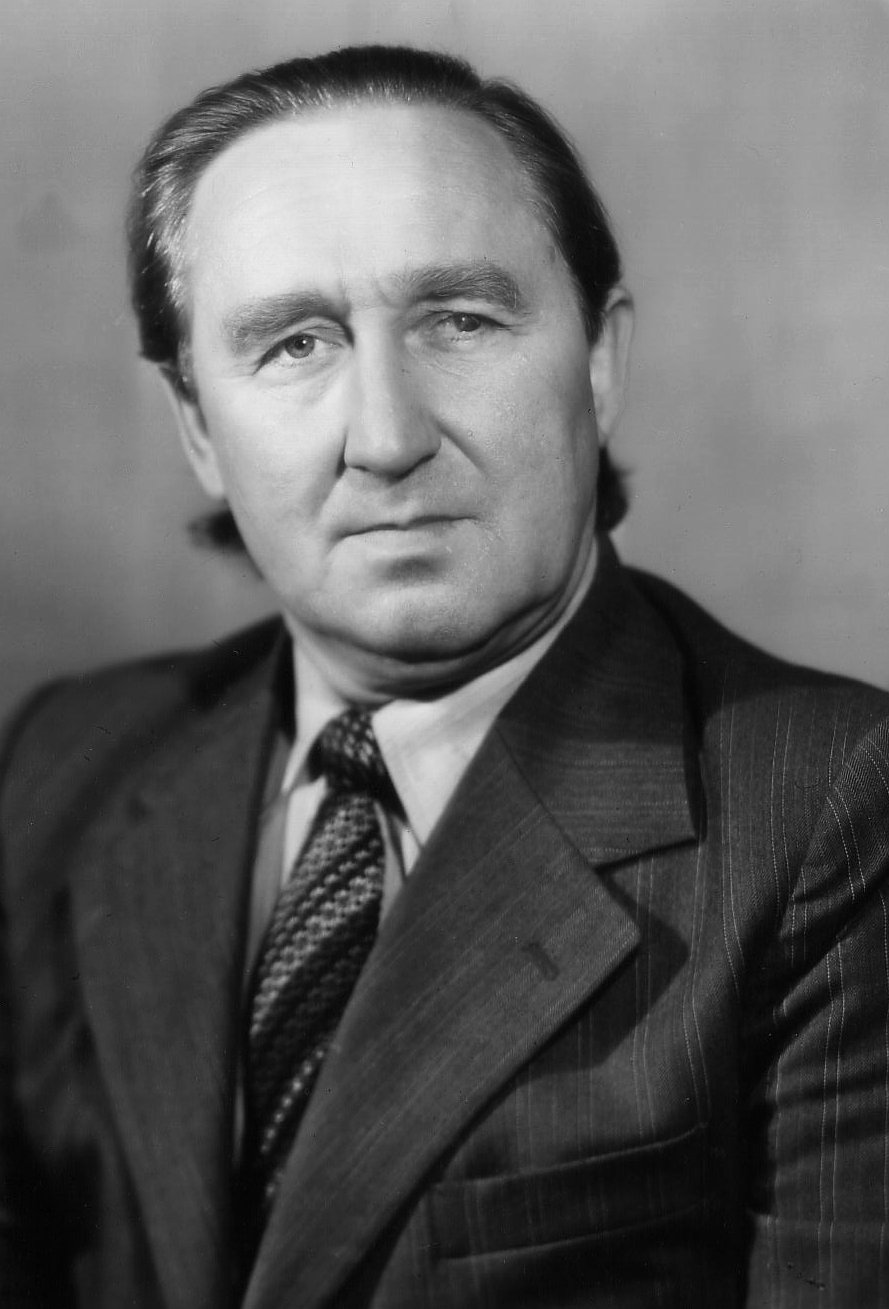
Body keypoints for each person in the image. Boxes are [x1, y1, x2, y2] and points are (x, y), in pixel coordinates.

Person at [1, 44, 888, 1309]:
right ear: (197, 424)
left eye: (460, 321)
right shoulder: (68, 760)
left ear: (598, 362)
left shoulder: (831, 809)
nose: (387, 436)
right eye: (294, 343)